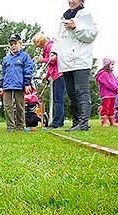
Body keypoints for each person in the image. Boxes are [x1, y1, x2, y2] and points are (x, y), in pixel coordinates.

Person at [51, 0, 98, 132]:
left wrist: (75, 27)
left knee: (81, 91)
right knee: (71, 93)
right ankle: (76, 121)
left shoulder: (86, 15)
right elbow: (58, 38)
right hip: (65, 62)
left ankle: (83, 123)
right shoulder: (64, 16)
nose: (71, 1)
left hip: (80, 60)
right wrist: (54, 52)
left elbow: (91, 35)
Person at [0, 34, 34, 132]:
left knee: (20, 106)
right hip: (7, 86)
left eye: (15, 43)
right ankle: (10, 126)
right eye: (11, 44)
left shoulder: (25, 57)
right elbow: (2, 72)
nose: (13, 46)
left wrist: (27, 83)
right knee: (8, 107)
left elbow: (28, 70)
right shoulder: (6, 59)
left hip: (19, 85)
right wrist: (0, 86)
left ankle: (21, 125)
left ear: (20, 44)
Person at [32, 33, 66, 128]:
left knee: (58, 99)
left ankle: (57, 122)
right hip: (55, 75)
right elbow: (51, 66)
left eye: (37, 43)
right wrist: (46, 76)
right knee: (58, 99)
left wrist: (42, 59)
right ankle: (60, 121)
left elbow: (53, 60)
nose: (37, 46)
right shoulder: (46, 48)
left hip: (59, 75)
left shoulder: (51, 46)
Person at [94, 58, 118, 127]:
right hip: (106, 95)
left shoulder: (111, 74)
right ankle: (103, 122)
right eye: (112, 64)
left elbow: (115, 82)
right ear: (107, 65)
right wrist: (116, 88)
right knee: (105, 108)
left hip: (113, 94)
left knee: (111, 109)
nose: (113, 66)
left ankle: (112, 122)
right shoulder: (103, 74)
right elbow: (109, 84)